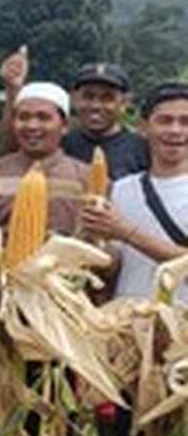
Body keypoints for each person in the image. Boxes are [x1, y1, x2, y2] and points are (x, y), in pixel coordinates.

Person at [81, 82, 188, 302]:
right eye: (164, 121)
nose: (175, 130)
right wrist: (92, 244)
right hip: (125, 316)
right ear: (143, 128)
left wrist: (126, 232)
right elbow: (115, 265)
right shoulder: (121, 189)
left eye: (185, 122)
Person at [0, 81, 90, 256]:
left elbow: (105, 245)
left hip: (66, 271)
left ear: (64, 126)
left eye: (43, 118)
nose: (32, 126)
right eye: (23, 118)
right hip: (3, 269)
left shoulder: (84, 177)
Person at [0, 51, 149, 180]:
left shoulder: (143, 149)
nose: (96, 106)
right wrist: (13, 90)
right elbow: (14, 150)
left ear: (124, 103)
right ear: (74, 99)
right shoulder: (58, 143)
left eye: (107, 98)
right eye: (88, 97)